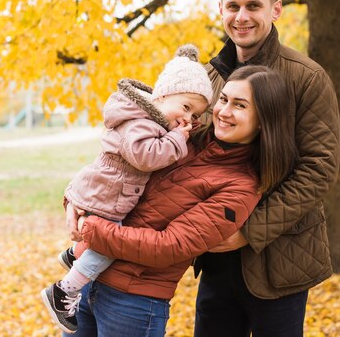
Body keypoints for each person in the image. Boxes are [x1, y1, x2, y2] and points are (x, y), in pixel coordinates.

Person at [64, 65, 298, 337]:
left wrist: (91, 229)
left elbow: (170, 246)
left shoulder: (241, 186)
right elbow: (112, 167)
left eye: (240, 105)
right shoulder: (183, 135)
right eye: (223, 99)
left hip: (132, 301)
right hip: (82, 282)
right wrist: (72, 200)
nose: (224, 111)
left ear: (263, 120)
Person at [193, 0, 340, 336]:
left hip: (280, 259)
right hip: (215, 260)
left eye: (253, 6)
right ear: (221, 10)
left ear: (275, 9)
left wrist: (249, 231)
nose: (241, 16)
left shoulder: (307, 78)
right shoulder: (207, 78)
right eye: (233, 6)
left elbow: (318, 169)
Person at [41, 44, 213, 334]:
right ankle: (64, 290)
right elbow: (146, 158)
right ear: (162, 95)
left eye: (195, 115)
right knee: (108, 244)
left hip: (105, 189)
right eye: (185, 108)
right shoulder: (142, 123)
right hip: (108, 194)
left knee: (105, 237)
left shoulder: (147, 119)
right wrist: (176, 139)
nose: (188, 120)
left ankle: (75, 254)